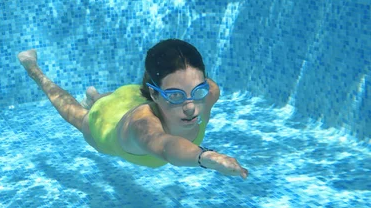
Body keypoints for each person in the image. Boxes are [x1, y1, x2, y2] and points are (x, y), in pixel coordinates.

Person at [18, 39, 248, 179]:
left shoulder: (209, 92)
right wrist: (204, 156)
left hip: (132, 96)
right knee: (76, 114)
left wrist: (186, 93)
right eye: (176, 96)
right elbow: (168, 147)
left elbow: (194, 90)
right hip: (105, 122)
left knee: (121, 96)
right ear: (155, 94)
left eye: (197, 91)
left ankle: (96, 96)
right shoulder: (143, 126)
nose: (190, 107)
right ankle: (32, 67)